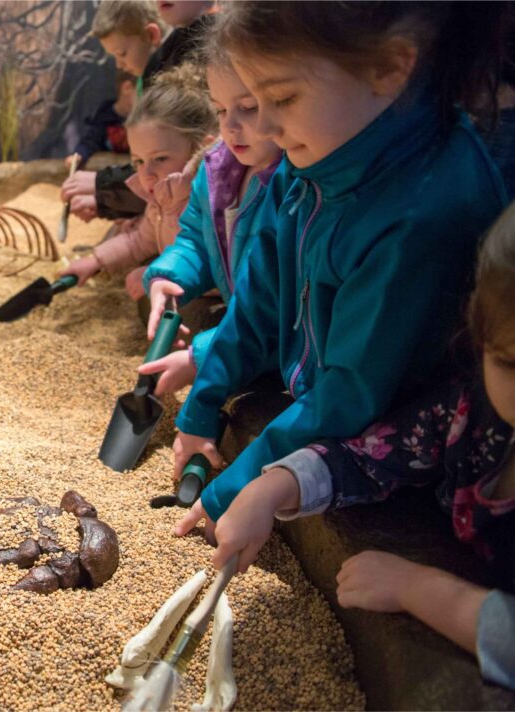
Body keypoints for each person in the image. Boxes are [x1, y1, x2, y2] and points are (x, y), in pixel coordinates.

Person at [169, 2, 508, 527]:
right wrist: (202, 402)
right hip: (316, 412)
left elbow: (355, 389)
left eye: (281, 98)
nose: (268, 125)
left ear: (390, 67)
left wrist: (237, 487)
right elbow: (259, 297)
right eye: (256, 101)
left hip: (390, 460)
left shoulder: (423, 214)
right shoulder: (315, 152)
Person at [202, 203, 515, 690]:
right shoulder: (468, 413)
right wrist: (272, 488)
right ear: (478, 341)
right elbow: (370, 454)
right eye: (510, 364)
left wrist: (422, 590)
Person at [135, 39, 283, 394]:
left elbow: (279, 309)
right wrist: (169, 277)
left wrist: (200, 356)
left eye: (248, 107)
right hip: (239, 334)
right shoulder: (215, 168)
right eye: (219, 110)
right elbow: (197, 239)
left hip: (277, 349)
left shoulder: (293, 184)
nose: (230, 127)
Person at [58, 65, 216, 297]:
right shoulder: (162, 197)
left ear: (202, 148)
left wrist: (155, 274)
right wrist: (94, 260)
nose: (146, 174)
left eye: (160, 158)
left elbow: (216, 263)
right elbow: (139, 241)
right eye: (138, 161)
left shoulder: (209, 200)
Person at [64, 1, 215, 222]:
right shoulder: (171, 49)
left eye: (122, 53)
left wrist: (105, 188)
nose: (119, 65)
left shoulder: (209, 46)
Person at [68, 70, 136, 170]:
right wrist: (79, 155)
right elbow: (90, 141)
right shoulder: (104, 116)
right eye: (144, 91)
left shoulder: (148, 119)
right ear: (127, 88)